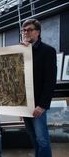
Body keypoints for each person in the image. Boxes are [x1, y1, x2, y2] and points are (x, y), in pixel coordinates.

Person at [21, 19, 56, 157]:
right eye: (23, 30)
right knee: (33, 137)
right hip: (24, 104)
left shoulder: (48, 51)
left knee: (42, 139)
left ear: (38, 32)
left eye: (29, 30)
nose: (25, 33)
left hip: (38, 105)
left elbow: (50, 81)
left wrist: (42, 105)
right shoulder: (22, 51)